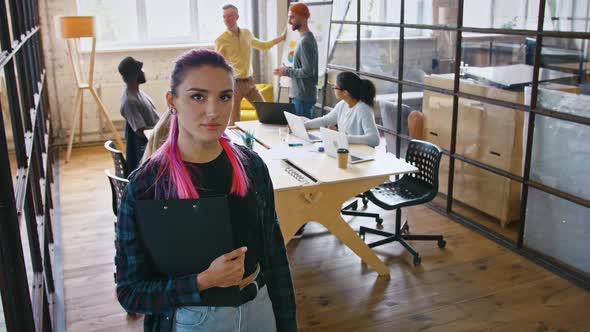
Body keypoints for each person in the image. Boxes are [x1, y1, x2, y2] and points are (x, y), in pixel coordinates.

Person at [115, 49, 297, 332]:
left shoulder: (252, 167)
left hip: (260, 307)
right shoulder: (146, 186)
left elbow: (274, 255)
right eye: (198, 96)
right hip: (194, 319)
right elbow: (131, 294)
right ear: (172, 101)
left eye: (225, 97)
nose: (213, 111)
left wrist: (286, 323)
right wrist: (203, 281)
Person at [215, 4, 286, 125]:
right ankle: (233, 144)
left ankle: (266, 140)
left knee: (265, 111)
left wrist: (282, 37)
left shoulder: (247, 33)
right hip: (234, 84)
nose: (227, 19)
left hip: (249, 83)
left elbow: (263, 45)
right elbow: (217, 64)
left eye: (230, 16)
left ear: (237, 17)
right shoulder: (221, 40)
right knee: (234, 120)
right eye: (224, 17)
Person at [305, 71, 380, 148]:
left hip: (361, 153)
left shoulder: (363, 109)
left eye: (335, 87)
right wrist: (305, 125)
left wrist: (342, 138)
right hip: (346, 149)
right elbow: (326, 120)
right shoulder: (343, 104)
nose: (333, 89)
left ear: (345, 92)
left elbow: (374, 139)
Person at [273, 2, 318, 119]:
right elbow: (304, 69)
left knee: (302, 134)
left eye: (292, 17)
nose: (289, 21)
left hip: (303, 98)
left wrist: (286, 72)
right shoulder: (304, 39)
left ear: (303, 17)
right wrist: (287, 69)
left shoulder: (306, 41)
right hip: (301, 96)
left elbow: (308, 71)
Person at [118, 56, 160, 173]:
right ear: (135, 75)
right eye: (140, 70)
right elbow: (140, 131)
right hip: (146, 150)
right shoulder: (130, 101)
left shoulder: (138, 93)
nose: (143, 72)